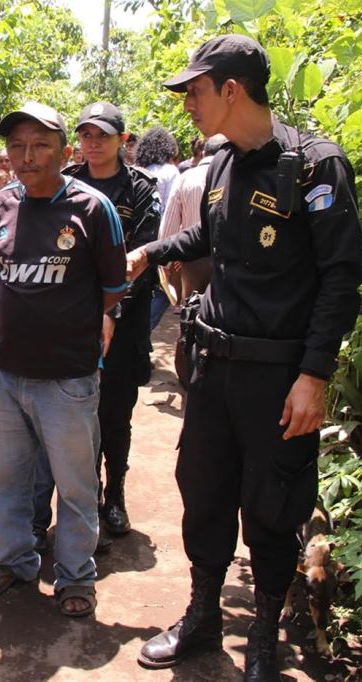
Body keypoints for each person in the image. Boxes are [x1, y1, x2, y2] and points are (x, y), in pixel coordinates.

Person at [128, 35, 362, 679]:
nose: (188, 107)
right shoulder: (225, 163)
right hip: (213, 367)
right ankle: (203, 616)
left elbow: (342, 277)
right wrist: (154, 251)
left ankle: (263, 635)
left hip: (278, 375)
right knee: (202, 491)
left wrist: (314, 376)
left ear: (232, 90)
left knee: (273, 503)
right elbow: (212, 232)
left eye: (196, 92)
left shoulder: (315, 166)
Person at [0, 102, 129, 618]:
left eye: (40, 144)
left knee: (76, 484)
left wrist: (73, 326)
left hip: (68, 378)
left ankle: (76, 576)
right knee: (1, 478)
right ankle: (15, 561)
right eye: (17, 145)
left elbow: (112, 288)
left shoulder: (92, 208)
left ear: (65, 152)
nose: (27, 155)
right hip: (4, 373)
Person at [31, 102, 161, 546]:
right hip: (75, 322)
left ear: (123, 141)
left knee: (116, 412)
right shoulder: (65, 185)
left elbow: (139, 256)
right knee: (71, 413)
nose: (93, 143)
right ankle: (87, 495)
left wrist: (109, 304)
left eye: (102, 135)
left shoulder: (142, 188)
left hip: (124, 321)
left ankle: (115, 494)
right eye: (86, 135)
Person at [159, 134, 228, 301]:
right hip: (226, 258)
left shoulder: (185, 178)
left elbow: (169, 225)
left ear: (203, 153)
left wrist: (165, 262)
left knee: (191, 309)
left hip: (192, 261)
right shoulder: (233, 177)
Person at [137, 126, 181, 329]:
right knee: (164, 291)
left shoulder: (140, 170)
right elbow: (173, 210)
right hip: (161, 239)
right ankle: (143, 332)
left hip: (139, 240)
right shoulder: (171, 173)